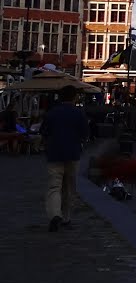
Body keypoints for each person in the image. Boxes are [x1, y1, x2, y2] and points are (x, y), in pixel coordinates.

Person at [40, 85, 90, 232]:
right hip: (72, 153)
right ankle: (66, 217)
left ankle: (55, 214)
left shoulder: (52, 113)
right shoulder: (79, 113)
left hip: (54, 153)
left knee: (54, 186)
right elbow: (85, 134)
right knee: (69, 186)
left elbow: (44, 131)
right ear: (75, 97)